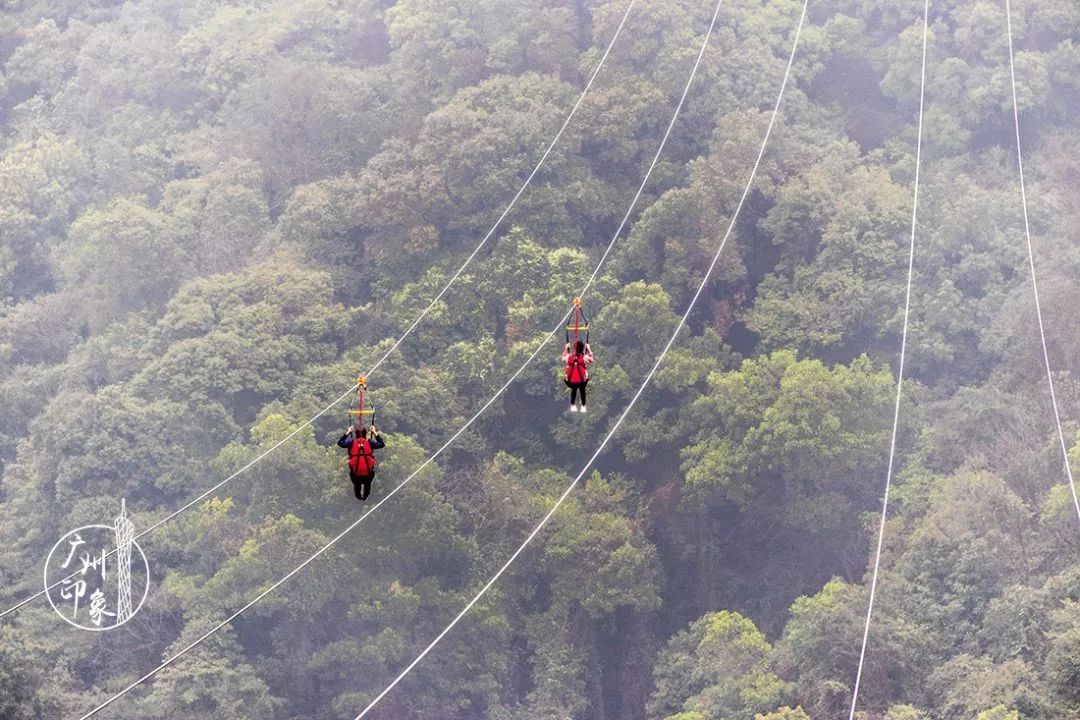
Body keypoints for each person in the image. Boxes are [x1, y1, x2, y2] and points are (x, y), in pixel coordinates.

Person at [337, 424, 385, 501]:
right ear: (366, 435)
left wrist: (348, 432)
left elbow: (340, 443)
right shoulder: (369, 442)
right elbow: (381, 444)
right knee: (367, 483)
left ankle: (358, 495)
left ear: (355, 436)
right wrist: (374, 432)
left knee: (356, 483)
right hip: (368, 474)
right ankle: (365, 496)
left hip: (356, 474)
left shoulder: (352, 442)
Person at [562, 339, 594, 413]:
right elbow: (591, 359)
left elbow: (563, 358)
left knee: (574, 389)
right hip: (582, 382)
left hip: (569, 381)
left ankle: (573, 405)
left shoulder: (569, 356)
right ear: (582, 348)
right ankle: (583, 405)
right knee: (582, 390)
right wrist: (589, 349)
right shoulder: (584, 357)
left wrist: (566, 348)